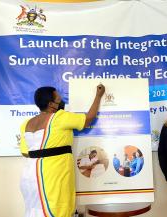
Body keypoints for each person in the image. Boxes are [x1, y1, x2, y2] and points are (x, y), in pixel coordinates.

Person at [19, 84, 105, 217]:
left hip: (30, 177)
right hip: (52, 175)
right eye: (59, 99)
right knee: (57, 211)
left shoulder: (26, 123)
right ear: (51, 104)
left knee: (35, 211)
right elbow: (88, 119)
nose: (61, 100)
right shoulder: (59, 117)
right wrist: (98, 96)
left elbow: (25, 152)